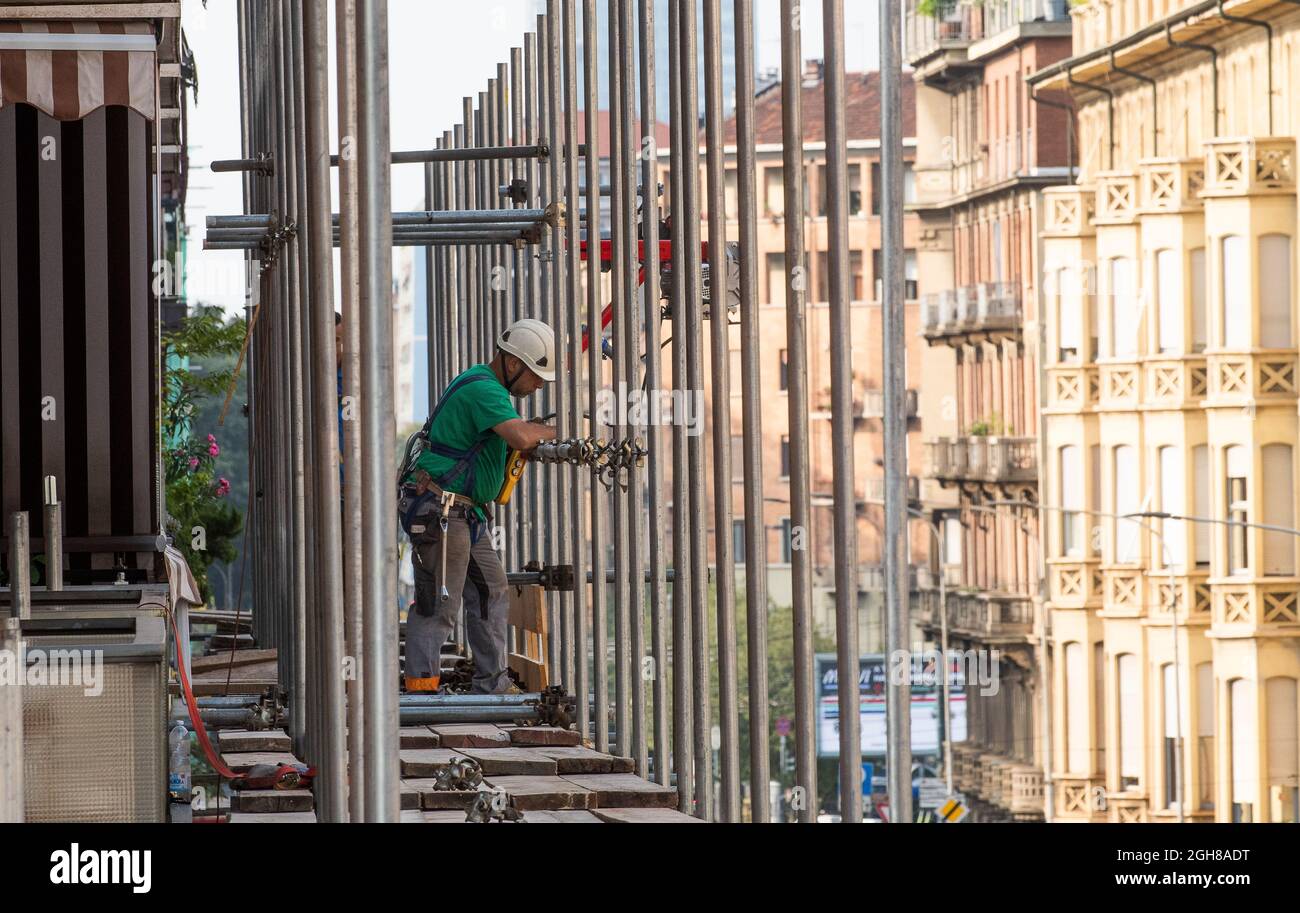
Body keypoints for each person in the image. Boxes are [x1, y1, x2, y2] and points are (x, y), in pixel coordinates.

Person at [402, 318, 557, 694]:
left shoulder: (483, 385)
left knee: (491, 589)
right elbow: (520, 436)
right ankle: (422, 692)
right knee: (438, 604)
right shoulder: (486, 390)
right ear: (513, 363)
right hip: (442, 512)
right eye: (535, 375)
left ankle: (492, 685)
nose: (537, 385)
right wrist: (554, 431)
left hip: (462, 514)